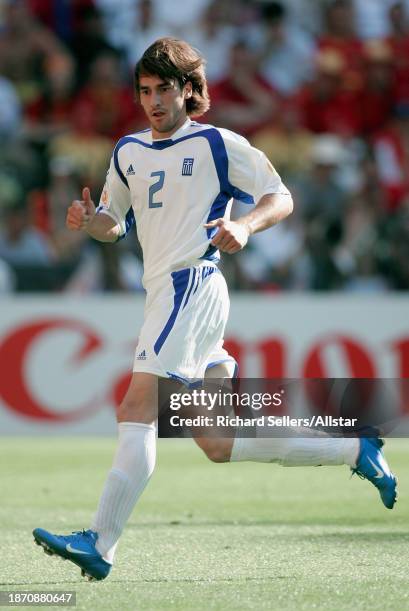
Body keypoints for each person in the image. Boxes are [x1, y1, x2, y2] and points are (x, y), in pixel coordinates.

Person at [33, 38, 397, 582]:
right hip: (165, 292)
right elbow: (113, 223)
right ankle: (353, 448)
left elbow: (280, 196)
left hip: (192, 284)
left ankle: (100, 544)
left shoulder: (218, 144)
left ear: (188, 90)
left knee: (137, 407)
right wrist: (91, 222)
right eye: (145, 91)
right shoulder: (126, 153)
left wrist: (244, 226)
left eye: (164, 89)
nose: (153, 101)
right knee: (218, 440)